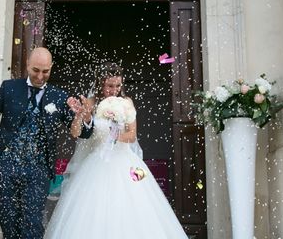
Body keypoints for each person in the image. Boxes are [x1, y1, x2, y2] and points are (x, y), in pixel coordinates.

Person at [44, 63, 188, 239]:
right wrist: (80, 115)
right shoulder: (91, 102)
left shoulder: (126, 103)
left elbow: (132, 135)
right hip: (97, 162)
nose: (114, 90)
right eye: (109, 86)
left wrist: (113, 135)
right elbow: (76, 133)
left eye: (118, 85)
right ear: (101, 84)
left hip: (125, 161)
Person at [0, 47, 93, 239]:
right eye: (36, 70)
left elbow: (82, 133)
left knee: (32, 223)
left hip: (39, 169)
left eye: (45, 71)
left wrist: (83, 116)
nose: (40, 76)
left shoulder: (59, 97)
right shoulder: (9, 88)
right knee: (8, 223)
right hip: (5, 165)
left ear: (51, 68)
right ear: (27, 64)